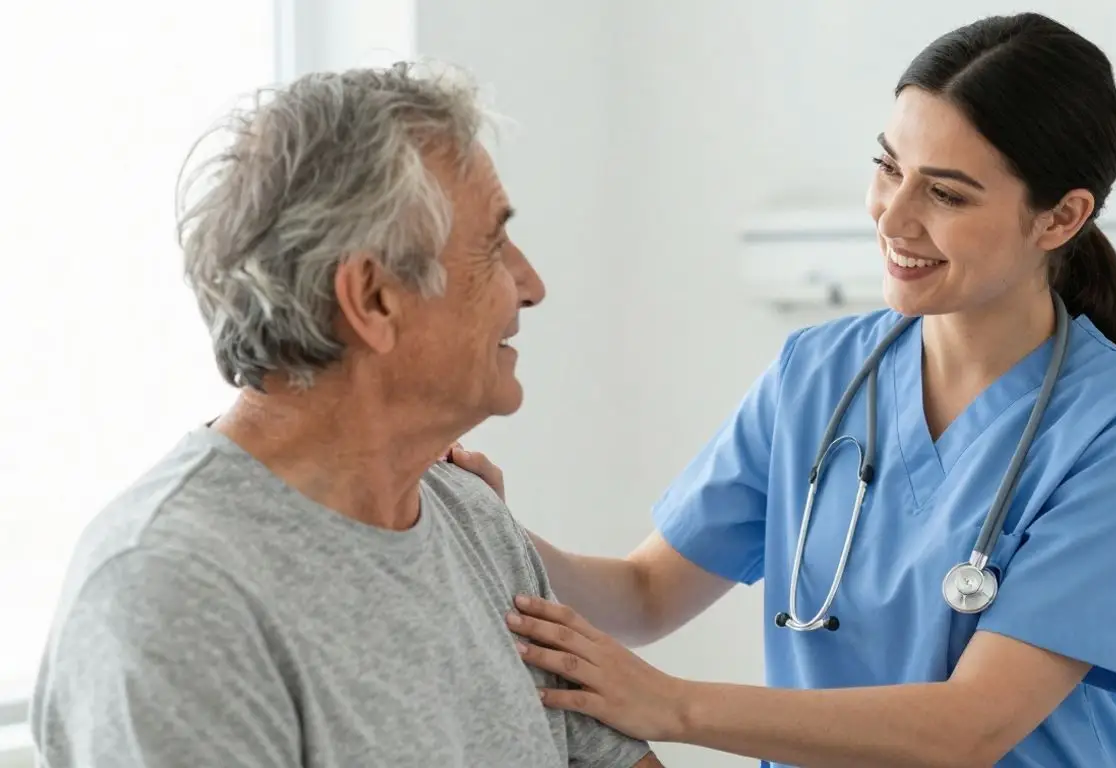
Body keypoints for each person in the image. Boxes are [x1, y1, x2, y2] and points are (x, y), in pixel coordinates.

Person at [454, 12, 1116, 768]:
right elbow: (646, 596)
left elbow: (968, 728)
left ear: (1060, 217)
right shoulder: (816, 376)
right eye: (888, 167)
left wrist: (671, 704)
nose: (893, 216)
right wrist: (490, 528)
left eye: (945, 193)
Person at [29, 62, 661, 768]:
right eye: (493, 246)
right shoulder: (169, 592)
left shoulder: (476, 524)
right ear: (373, 300)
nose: (531, 286)